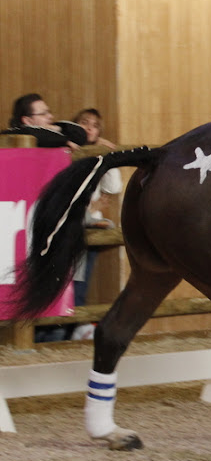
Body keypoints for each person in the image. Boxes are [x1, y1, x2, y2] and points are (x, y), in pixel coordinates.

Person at [69, 108, 123, 340]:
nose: (90, 128)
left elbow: (113, 188)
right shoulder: (68, 152)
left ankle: (77, 325)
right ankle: (68, 327)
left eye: (95, 125)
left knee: (80, 281)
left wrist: (107, 156)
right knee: (71, 281)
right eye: (84, 123)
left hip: (91, 226)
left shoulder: (95, 157)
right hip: (74, 224)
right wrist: (90, 210)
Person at [2, 93, 86, 148]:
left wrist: (58, 129)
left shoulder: (51, 133)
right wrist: (65, 142)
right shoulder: (16, 133)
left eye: (49, 112)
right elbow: (32, 133)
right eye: (43, 114)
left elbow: (80, 135)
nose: (50, 116)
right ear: (27, 120)